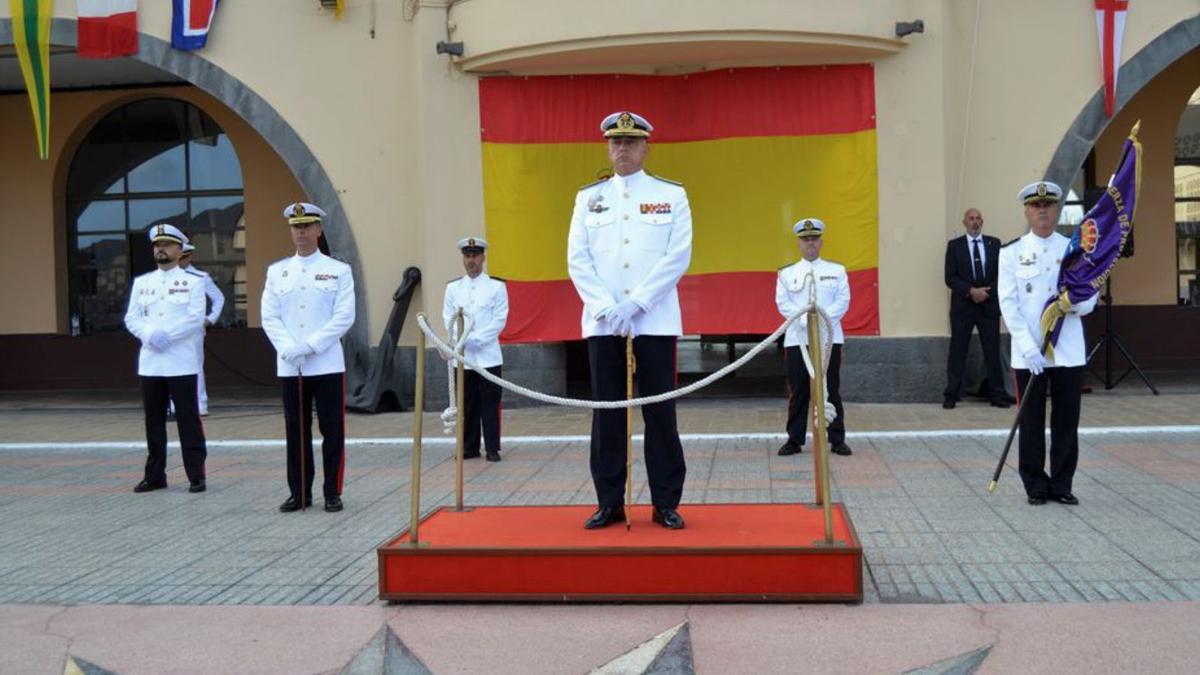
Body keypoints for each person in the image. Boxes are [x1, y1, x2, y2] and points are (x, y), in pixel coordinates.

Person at [567, 110, 692, 530]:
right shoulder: (589, 198)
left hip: (653, 321)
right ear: (607, 146)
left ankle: (665, 501)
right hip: (603, 324)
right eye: (616, 143)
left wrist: (635, 304)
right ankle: (609, 501)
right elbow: (577, 259)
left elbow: (677, 257)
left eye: (631, 142)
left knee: (660, 412)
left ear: (645, 147)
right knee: (607, 415)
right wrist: (606, 307)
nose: (623, 149)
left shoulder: (671, 194)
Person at [998, 181, 1097, 506]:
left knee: (1067, 420)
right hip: (1030, 354)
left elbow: (1090, 295)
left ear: (1056, 210)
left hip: (1067, 350)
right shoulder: (1011, 253)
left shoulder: (1073, 250)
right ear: (1027, 211)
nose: (1042, 211)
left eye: (1048, 206)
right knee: (1031, 421)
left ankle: (1062, 484)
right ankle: (1035, 485)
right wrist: (1027, 347)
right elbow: (1008, 304)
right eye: (1036, 206)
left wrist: (1075, 305)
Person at [261, 202, 356, 513]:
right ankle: (299, 493)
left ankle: (332, 491)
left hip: (326, 362)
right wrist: (287, 346)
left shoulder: (338, 270)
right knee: (296, 431)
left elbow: (344, 317)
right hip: (291, 364)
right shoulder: (277, 272)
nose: (300, 232)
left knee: (332, 430)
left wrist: (312, 345)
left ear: (318, 230)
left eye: (306, 226)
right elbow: (269, 316)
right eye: (295, 226)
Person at [123, 224, 208, 494]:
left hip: (181, 361)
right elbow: (131, 318)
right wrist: (150, 335)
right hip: (151, 363)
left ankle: (196, 474)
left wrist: (167, 336)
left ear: (180, 250)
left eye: (168, 244)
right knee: (154, 422)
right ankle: (155, 475)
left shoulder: (194, 282)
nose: (161, 248)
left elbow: (195, 318)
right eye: (158, 245)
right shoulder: (142, 283)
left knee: (188, 420)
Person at [775, 218, 853, 457]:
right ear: (799, 243)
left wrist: (821, 319)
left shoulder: (836, 271)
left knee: (832, 387)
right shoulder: (787, 273)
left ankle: (837, 438)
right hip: (798, 339)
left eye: (814, 239)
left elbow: (843, 300)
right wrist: (804, 320)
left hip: (829, 338)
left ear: (821, 242)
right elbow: (782, 302)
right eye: (806, 239)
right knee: (799, 390)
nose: (810, 243)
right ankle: (795, 439)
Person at [443, 236, 509, 462]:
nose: (471, 260)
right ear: (463, 258)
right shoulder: (453, 288)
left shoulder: (496, 286)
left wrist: (477, 340)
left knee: (490, 403)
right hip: (462, 356)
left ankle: (492, 447)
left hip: (488, 355)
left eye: (475, 255)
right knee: (466, 403)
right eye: (467, 256)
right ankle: (469, 447)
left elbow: (500, 319)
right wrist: (460, 340)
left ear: (483, 257)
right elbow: (448, 318)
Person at [943, 208, 1012, 409]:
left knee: (992, 351)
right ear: (964, 222)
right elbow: (950, 277)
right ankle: (951, 394)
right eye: (971, 218)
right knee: (958, 351)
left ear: (982, 221)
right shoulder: (954, 246)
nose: (975, 222)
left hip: (988, 306)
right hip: (963, 307)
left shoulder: (994, 244)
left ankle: (997, 395)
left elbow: (1002, 273)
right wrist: (971, 291)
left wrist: (985, 293)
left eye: (978, 218)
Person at [166, 243, 225, 417]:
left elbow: (219, 298)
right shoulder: (166, 276)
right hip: (172, 328)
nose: (180, 260)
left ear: (189, 257)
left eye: (183, 257)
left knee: (195, 364)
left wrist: (210, 319)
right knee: (172, 365)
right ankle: (174, 404)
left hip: (193, 329)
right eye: (178, 256)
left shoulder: (200, 276)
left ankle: (200, 403)